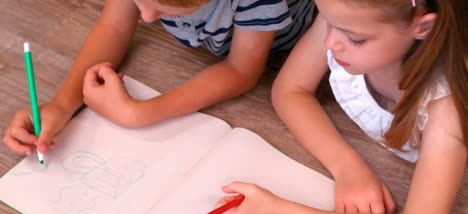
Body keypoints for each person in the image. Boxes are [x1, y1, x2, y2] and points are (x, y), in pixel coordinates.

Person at [217, 0, 467, 214]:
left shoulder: (448, 105)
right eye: (327, 21)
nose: (330, 43)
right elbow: (289, 91)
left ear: (423, 26)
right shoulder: (345, 17)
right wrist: (348, 167)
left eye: (356, 39)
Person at [3, 0, 314, 156]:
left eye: (163, 7)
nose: (147, 17)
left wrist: (141, 112)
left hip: (287, 47)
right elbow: (114, 26)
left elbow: (241, 71)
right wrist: (62, 104)